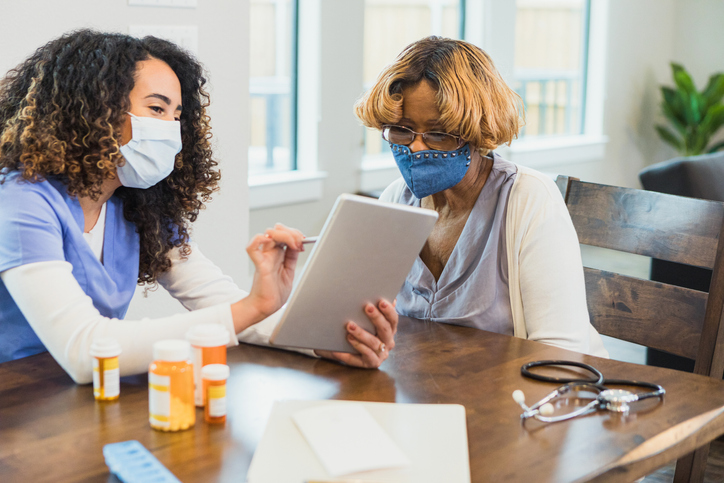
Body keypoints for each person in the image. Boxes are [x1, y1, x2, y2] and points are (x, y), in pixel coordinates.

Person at [0, 29, 397, 384]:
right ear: (95, 111)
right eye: (156, 109)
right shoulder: (21, 201)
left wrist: (320, 343)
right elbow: (86, 350)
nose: (171, 129)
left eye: (177, 115)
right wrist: (254, 306)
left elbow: (217, 298)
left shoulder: (136, 205)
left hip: (81, 398)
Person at [354, 36, 607, 357]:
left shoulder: (528, 199)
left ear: (475, 132)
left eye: (439, 133)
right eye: (402, 129)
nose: (415, 148)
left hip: (516, 396)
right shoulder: (395, 201)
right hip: (429, 391)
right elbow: (366, 321)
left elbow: (561, 354)